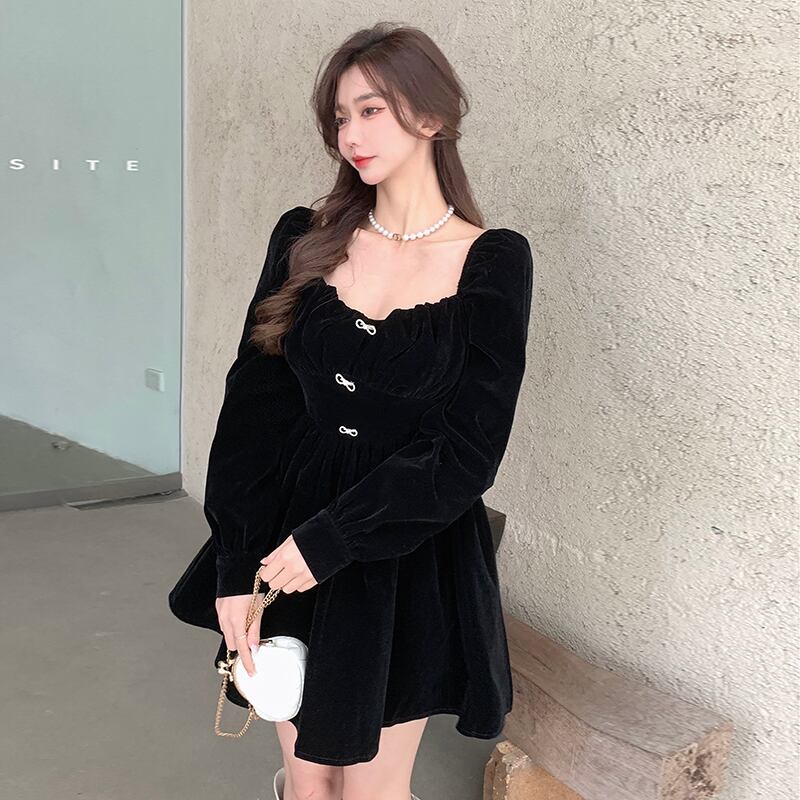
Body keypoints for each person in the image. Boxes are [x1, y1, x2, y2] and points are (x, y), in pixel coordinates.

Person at [169, 22, 534, 800]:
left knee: (370, 791)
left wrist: (335, 539)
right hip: (287, 534)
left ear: (431, 115)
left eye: (372, 110)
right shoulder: (305, 239)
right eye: (340, 117)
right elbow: (253, 413)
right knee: (311, 786)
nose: (350, 136)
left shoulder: (492, 261)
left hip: (405, 552)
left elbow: (470, 448)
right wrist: (236, 565)